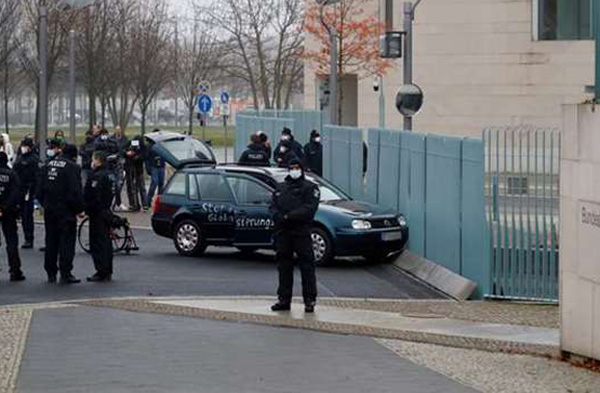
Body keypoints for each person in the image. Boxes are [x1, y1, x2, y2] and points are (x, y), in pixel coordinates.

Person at [269, 158, 320, 313]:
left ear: (302, 169)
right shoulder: (281, 187)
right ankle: (284, 299)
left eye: (297, 167)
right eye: (291, 168)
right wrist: (279, 217)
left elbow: (309, 208)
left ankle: (309, 300)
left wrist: (289, 217)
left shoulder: (310, 188)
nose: (294, 170)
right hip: (283, 233)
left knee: (307, 267)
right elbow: (272, 206)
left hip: (301, 232)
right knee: (284, 267)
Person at [38, 144, 84, 284]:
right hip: (66, 211)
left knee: (51, 240)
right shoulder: (73, 168)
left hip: (50, 209)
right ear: (74, 156)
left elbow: (39, 189)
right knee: (67, 242)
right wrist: (79, 209)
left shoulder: (47, 165)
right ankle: (65, 272)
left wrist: (44, 203)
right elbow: (75, 191)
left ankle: (50, 272)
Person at [84, 151, 114, 282]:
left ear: (98, 161)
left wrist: (86, 209)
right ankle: (107, 270)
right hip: (107, 211)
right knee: (107, 243)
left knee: (97, 243)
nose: (92, 162)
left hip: (97, 214)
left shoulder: (96, 176)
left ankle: (101, 270)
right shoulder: (110, 175)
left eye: (93, 159)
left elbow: (92, 196)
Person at [0, 152, 25, 282]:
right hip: (8, 211)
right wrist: (6, 207)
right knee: (11, 241)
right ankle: (15, 270)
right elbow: (16, 194)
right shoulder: (12, 175)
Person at [13, 137, 39, 249]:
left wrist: (33, 190)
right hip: (19, 188)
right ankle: (26, 237)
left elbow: (36, 176)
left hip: (28, 189)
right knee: (22, 214)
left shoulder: (33, 159)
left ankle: (29, 238)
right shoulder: (20, 157)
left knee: (27, 215)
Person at [125, 135, 148, 211]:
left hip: (139, 169)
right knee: (133, 188)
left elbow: (144, 155)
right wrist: (127, 153)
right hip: (131, 168)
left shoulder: (143, 147)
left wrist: (137, 157)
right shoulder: (129, 143)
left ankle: (144, 204)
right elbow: (122, 150)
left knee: (141, 187)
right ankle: (135, 204)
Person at [146, 130, 165, 208]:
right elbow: (147, 158)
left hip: (161, 166)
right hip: (154, 166)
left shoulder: (162, 145)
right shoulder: (150, 146)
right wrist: (148, 168)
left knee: (161, 184)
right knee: (154, 183)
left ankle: (159, 202)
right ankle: (148, 201)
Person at [111, 126, 129, 211]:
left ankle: (118, 203)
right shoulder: (111, 139)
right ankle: (114, 203)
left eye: (119, 129)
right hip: (112, 164)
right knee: (114, 185)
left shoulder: (125, 139)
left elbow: (126, 148)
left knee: (118, 184)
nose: (118, 131)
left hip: (121, 161)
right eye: (117, 129)